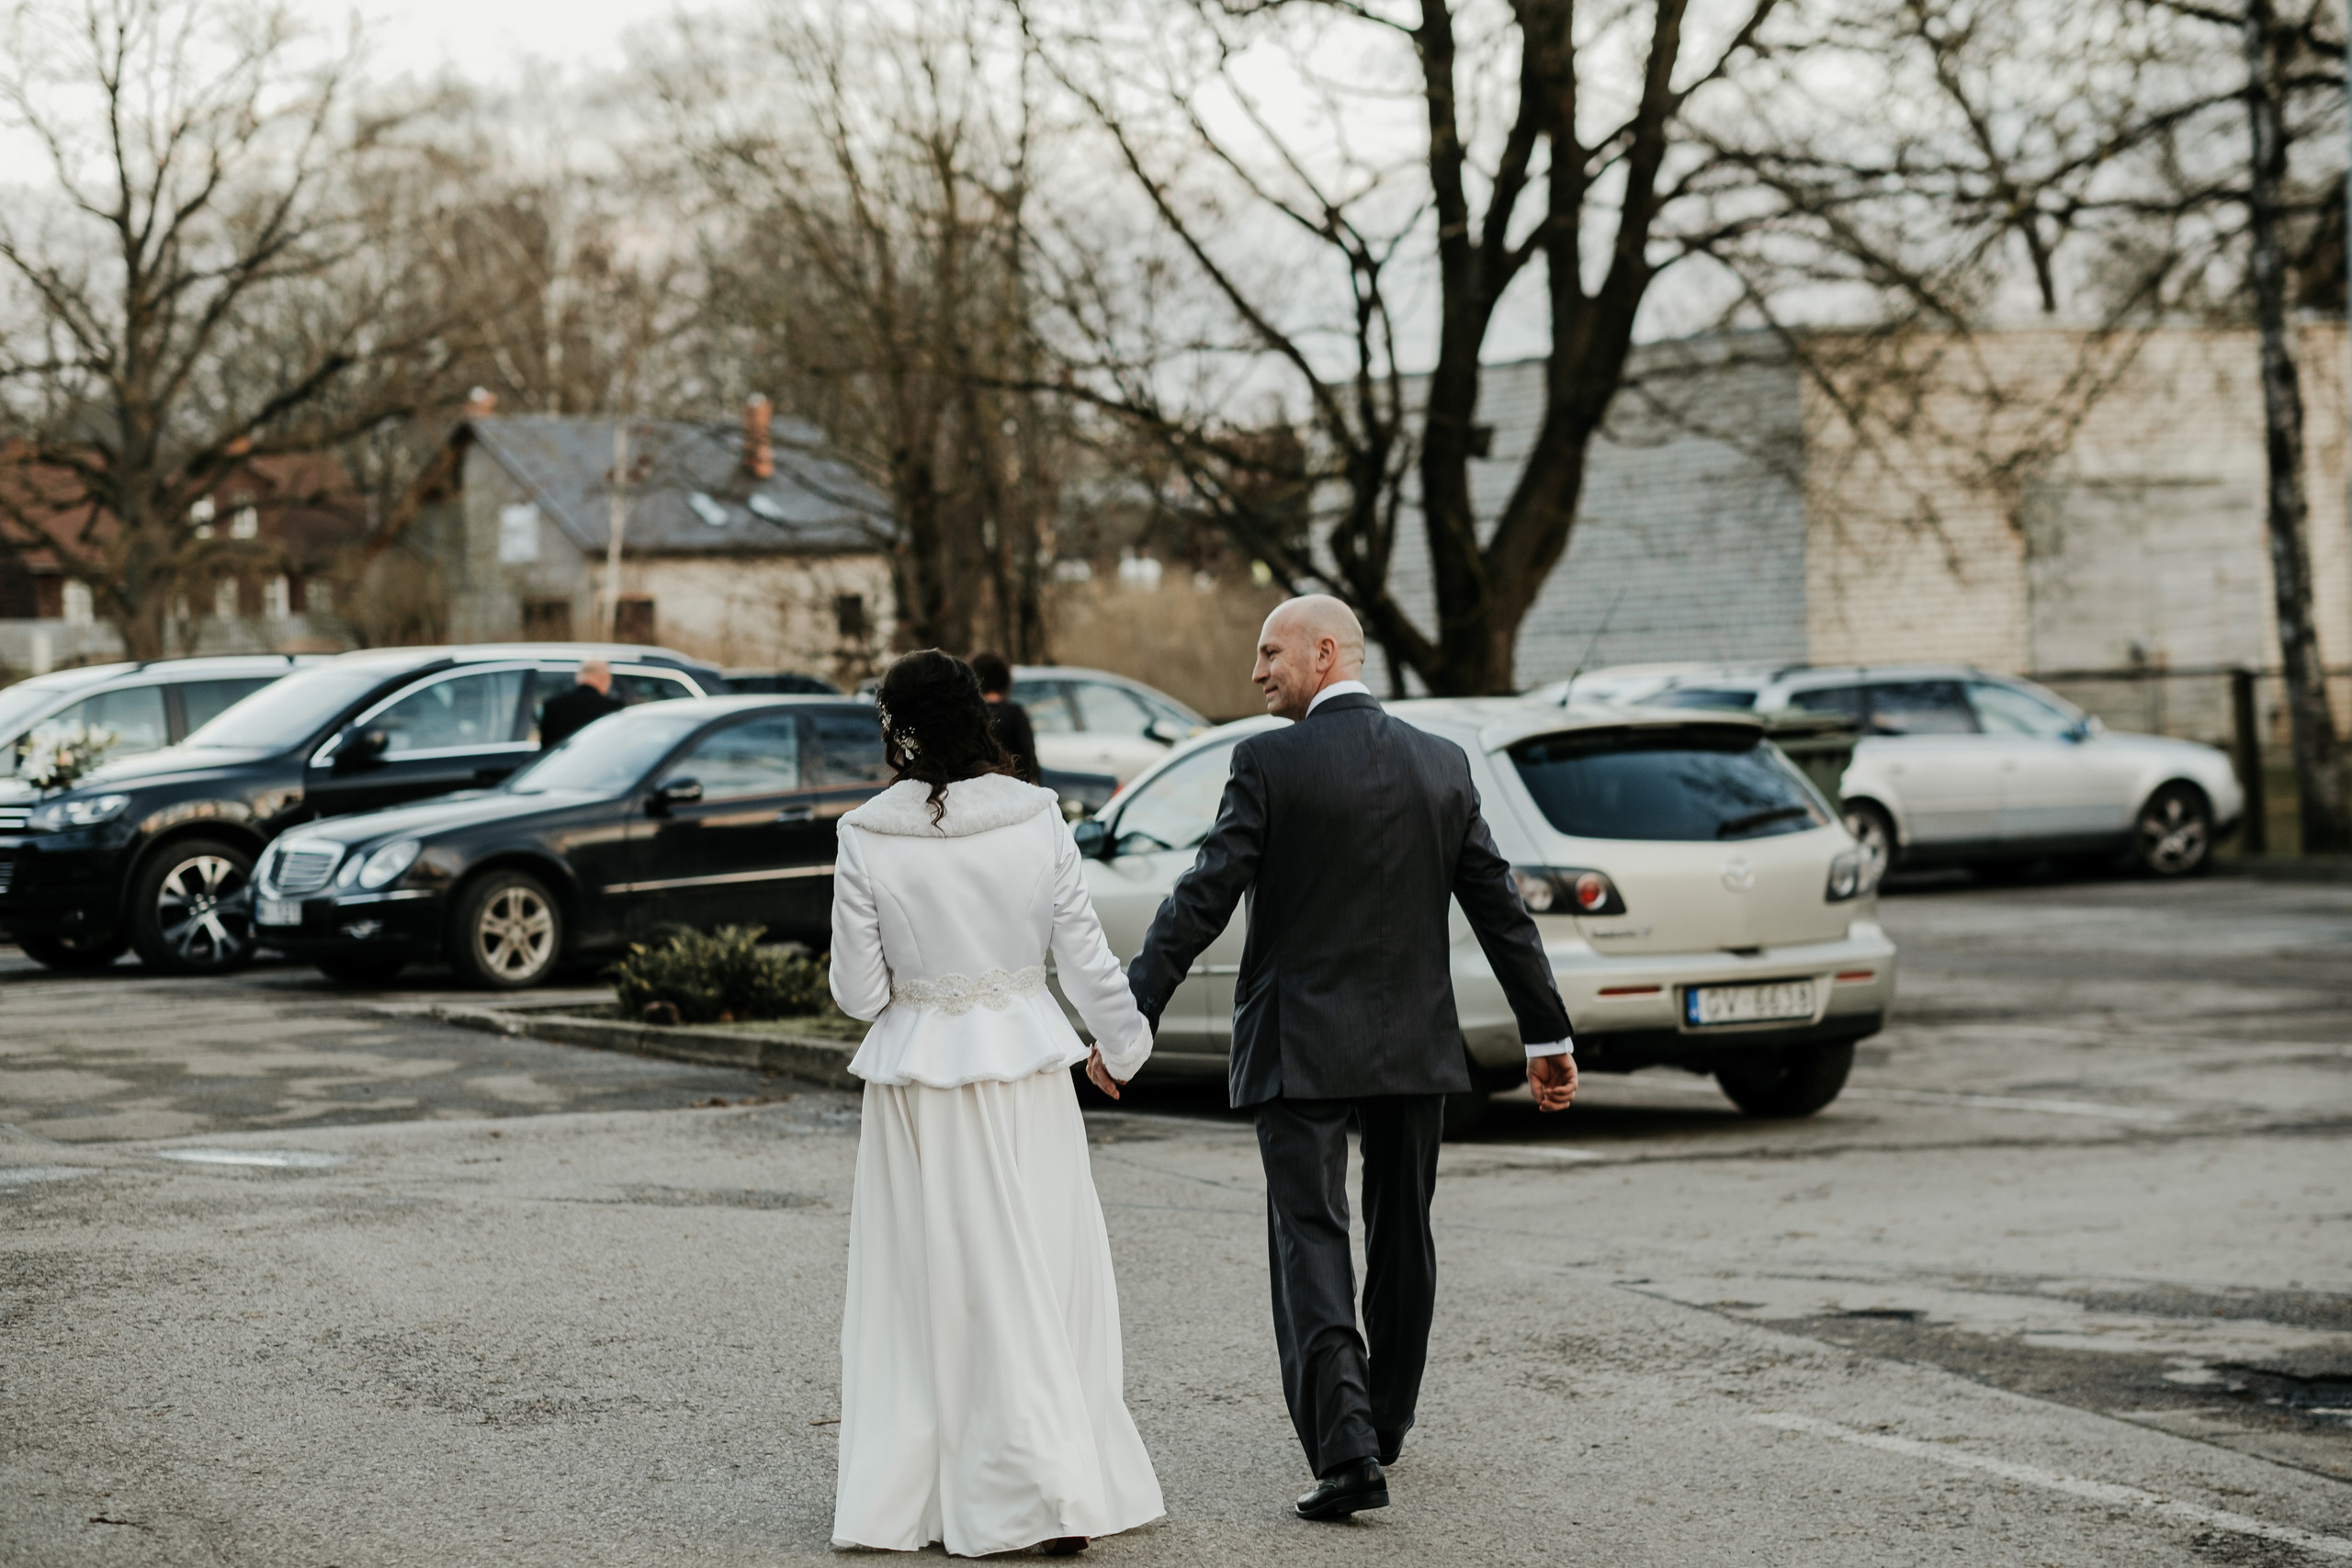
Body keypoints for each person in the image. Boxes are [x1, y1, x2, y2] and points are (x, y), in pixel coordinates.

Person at [1105, 594, 1576, 1522]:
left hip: (1297, 1041)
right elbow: (1499, 907)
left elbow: (1203, 895)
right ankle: (1383, 1422)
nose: (1255, 672)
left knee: (1309, 1235)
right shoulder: (1440, 765)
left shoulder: (1268, 762)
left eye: (1268, 652)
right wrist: (1547, 1035)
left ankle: (1349, 1446)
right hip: (1415, 1044)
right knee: (1404, 1236)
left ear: (1325, 654)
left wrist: (1132, 1016)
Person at [827, 649, 1164, 1558]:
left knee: (937, 1285)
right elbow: (1087, 959)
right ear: (979, 715)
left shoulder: (864, 833)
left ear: (896, 726)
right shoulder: (1038, 816)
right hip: (1024, 1073)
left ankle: (944, 1489)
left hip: (920, 1084)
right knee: (1037, 1274)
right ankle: (1052, 1482)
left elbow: (858, 994)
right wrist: (1123, 1050)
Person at [968, 650, 1039, 784]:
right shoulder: (1016, 714)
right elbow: (1028, 759)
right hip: (1013, 788)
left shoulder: (970, 714)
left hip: (978, 789)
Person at [537, 658, 623, 749]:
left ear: (578, 676)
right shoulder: (613, 708)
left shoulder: (551, 705)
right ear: (605, 678)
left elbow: (546, 749)